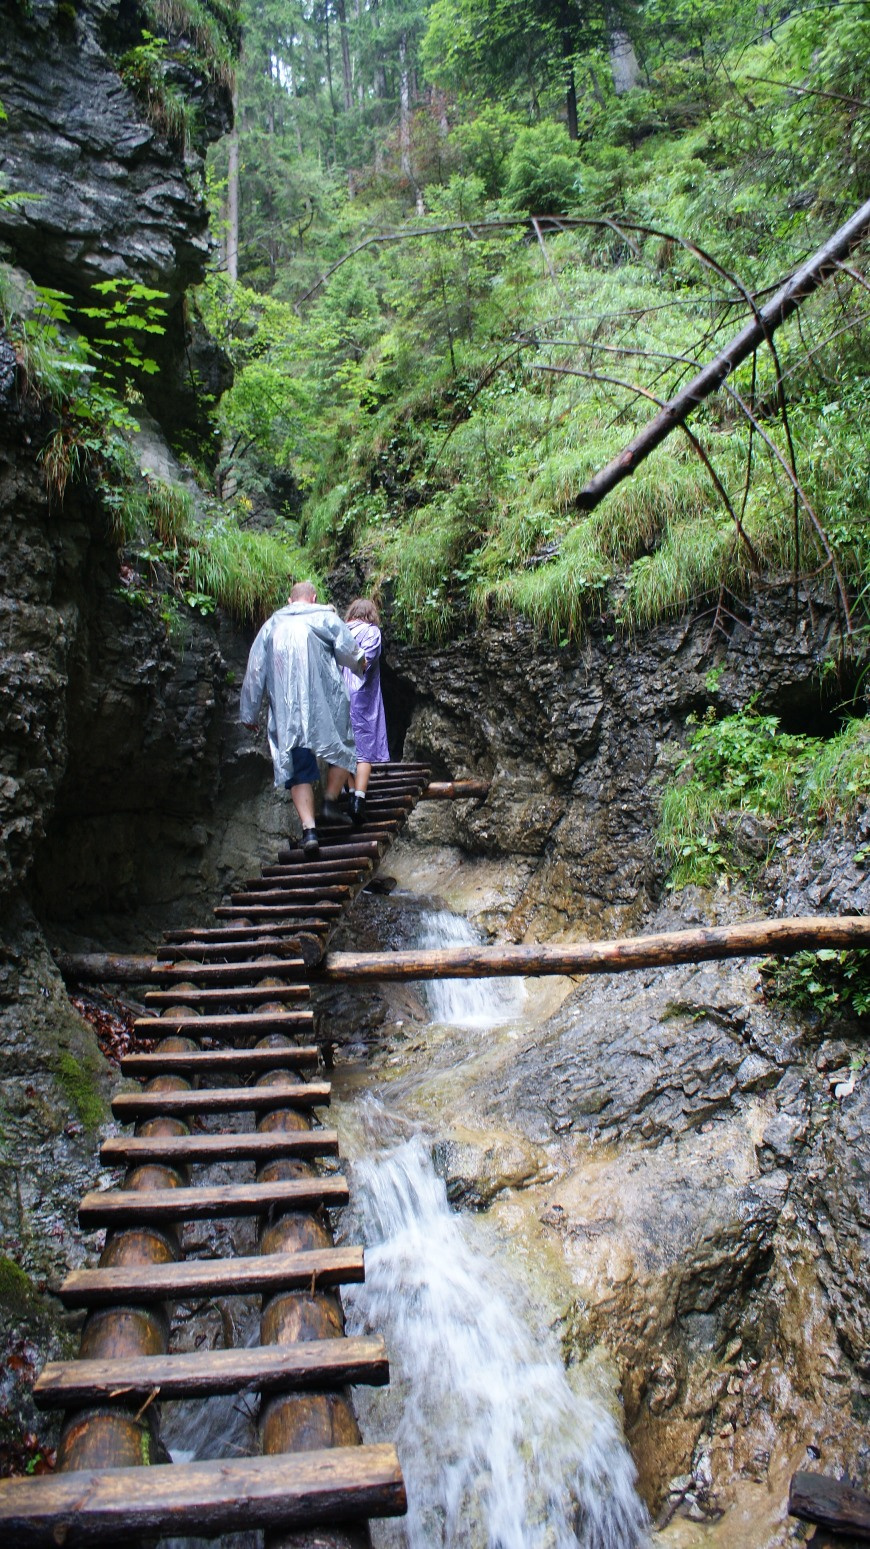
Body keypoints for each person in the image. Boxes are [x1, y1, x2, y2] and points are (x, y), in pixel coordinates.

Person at [240, 580, 366, 857]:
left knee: (298, 767)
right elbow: (352, 653)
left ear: (289, 600)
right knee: (343, 747)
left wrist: (249, 712)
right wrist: (361, 663)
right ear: (314, 597)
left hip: (288, 712)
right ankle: (331, 802)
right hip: (324, 702)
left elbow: (255, 668)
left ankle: (309, 830)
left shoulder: (271, 626)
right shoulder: (325, 617)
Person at [342, 597, 389, 826]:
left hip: (338, 696)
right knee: (364, 747)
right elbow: (366, 662)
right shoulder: (372, 632)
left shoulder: (340, 632)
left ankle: (351, 796)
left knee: (346, 746)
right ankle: (359, 799)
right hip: (361, 698)